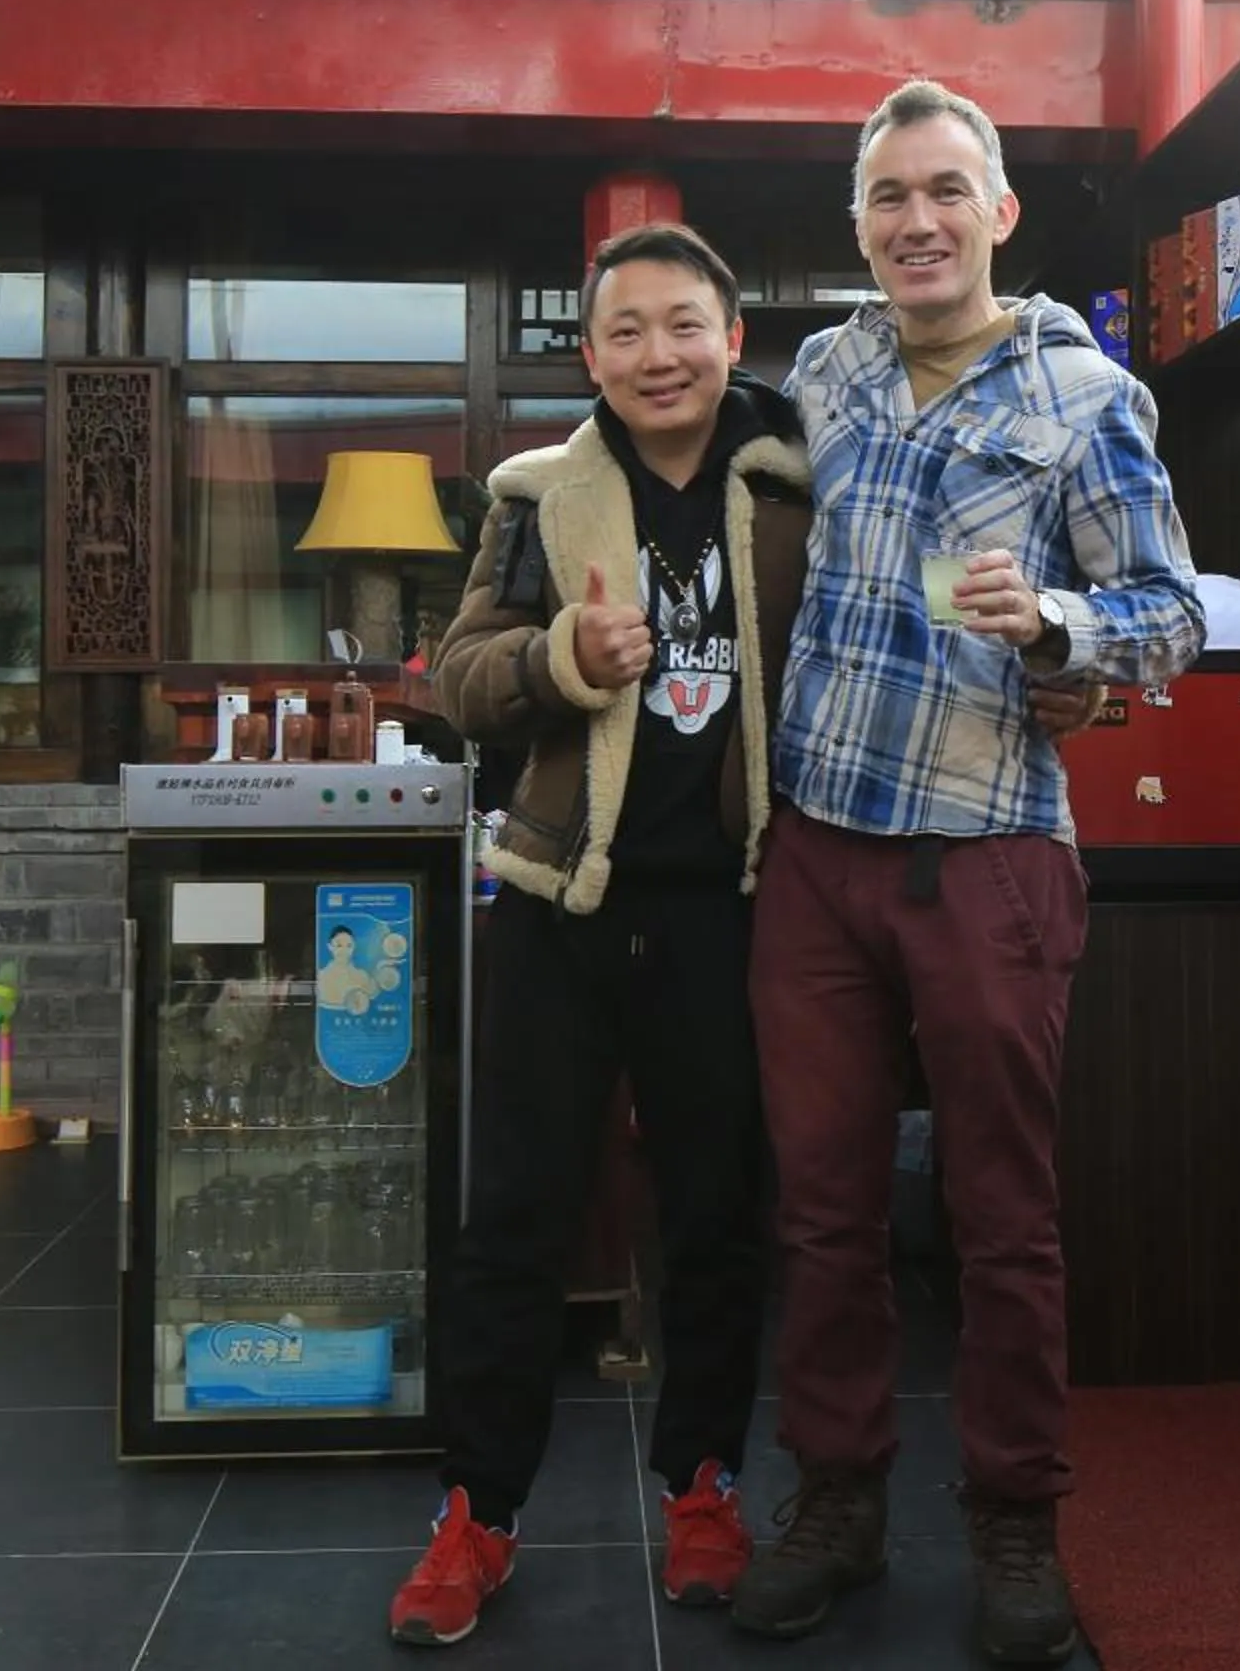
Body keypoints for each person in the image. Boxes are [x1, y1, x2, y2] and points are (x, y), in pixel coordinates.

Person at [731, 80, 1206, 1666]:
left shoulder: (1089, 400)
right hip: (815, 851)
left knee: (1000, 1220)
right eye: (886, 199)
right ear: (859, 228)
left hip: (990, 848)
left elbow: (1171, 615)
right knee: (823, 1212)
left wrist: (1062, 629)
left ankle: (1015, 1523)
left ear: (999, 214)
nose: (915, 222)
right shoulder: (829, 369)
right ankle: (840, 1502)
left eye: (944, 191)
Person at [393, 220, 805, 1648]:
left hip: (729, 912)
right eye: (624, 331)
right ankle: (477, 1513)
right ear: (589, 356)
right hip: (561, 905)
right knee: (511, 1218)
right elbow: (459, 677)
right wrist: (563, 661)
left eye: (683, 324)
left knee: (713, 1222)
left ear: (732, 336)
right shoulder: (535, 497)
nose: (657, 354)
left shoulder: (792, 486)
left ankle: (702, 1484)